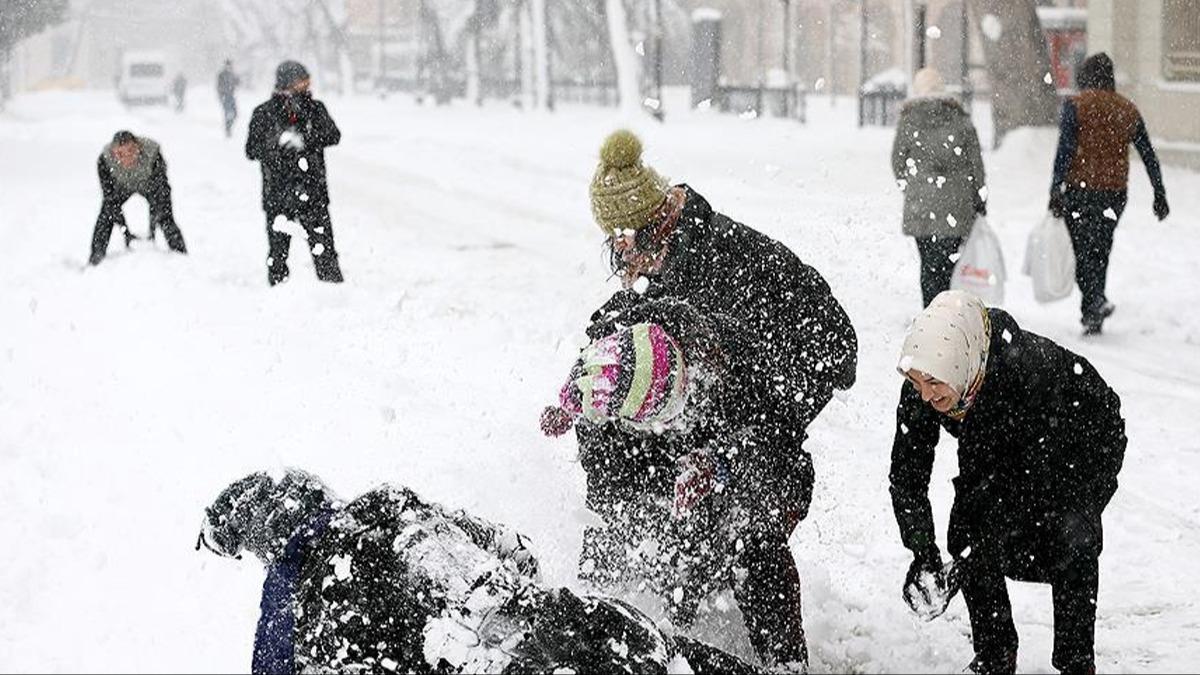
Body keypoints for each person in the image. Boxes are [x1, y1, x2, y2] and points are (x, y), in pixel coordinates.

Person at [566, 129, 858, 671]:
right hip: (713, 408)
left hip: (777, 404)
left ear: (656, 226)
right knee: (636, 517)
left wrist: (731, 448)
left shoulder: (724, 266)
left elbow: (832, 354)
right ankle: (640, 623)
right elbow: (612, 375)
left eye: (623, 243)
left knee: (742, 527)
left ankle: (782, 662)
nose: (620, 259)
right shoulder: (659, 274)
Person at [198, 469, 755, 675]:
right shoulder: (390, 503)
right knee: (658, 651)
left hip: (494, 659)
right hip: (562, 620)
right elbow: (514, 550)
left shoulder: (296, 618)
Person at [889, 290, 1126, 675]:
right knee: (968, 532)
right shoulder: (929, 376)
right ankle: (995, 654)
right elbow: (906, 475)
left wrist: (1082, 505)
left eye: (933, 383)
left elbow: (1003, 481)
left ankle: (1076, 660)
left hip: (1078, 440)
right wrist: (923, 552)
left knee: (1071, 538)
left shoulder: (1024, 371)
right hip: (1007, 447)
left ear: (961, 365)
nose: (926, 394)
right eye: (916, 382)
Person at [1049, 52, 1170, 335]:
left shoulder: (1076, 106)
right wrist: (1159, 192)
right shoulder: (1126, 109)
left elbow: (1064, 151)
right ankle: (1095, 308)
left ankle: (1093, 303)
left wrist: (1055, 188)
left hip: (1080, 192)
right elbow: (1148, 154)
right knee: (1100, 249)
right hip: (1114, 194)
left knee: (1083, 252)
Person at [891, 67, 987, 308]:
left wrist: (912, 186)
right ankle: (944, 311)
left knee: (928, 263)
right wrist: (979, 196)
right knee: (947, 265)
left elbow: (897, 160)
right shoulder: (960, 118)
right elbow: (976, 164)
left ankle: (930, 311)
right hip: (957, 203)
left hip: (921, 204)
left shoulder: (909, 118)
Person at [246, 61, 344, 285]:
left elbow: (333, 135)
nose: (307, 85)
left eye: (307, 79)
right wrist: (277, 144)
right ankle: (280, 298)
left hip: (313, 193)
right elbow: (251, 149)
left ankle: (335, 296)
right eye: (302, 80)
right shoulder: (264, 113)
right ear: (287, 82)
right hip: (278, 195)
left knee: (325, 253)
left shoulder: (315, 109)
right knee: (278, 255)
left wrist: (305, 140)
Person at [89, 130, 187, 265]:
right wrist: (126, 233)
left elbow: (162, 191)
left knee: (165, 216)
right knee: (106, 215)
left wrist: (152, 229)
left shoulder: (153, 154)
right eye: (120, 154)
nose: (126, 158)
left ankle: (181, 256)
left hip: (149, 184)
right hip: (121, 187)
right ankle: (95, 259)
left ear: (138, 147)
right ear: (113, 153)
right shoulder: (104, 161)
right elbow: (110, 198)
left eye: (130, 151)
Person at [217, 60, 240, 138]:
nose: (229, 67)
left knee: (235, 113)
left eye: (230, 65)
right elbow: (219, 86)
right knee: (228, 113)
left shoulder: (232, 74)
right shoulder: (222, 74)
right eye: (228, 65)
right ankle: (228, 129)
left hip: (231, 96)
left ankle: (228, 127)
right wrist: (221, 96)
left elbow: (237, 83)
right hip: (225, 96)